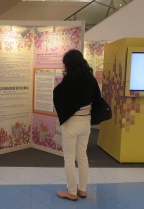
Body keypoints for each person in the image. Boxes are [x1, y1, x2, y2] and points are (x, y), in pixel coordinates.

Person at [53, 49, 101, 201]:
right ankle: (82, 189)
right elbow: (97, 99)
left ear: (69, 64)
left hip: (72, 124)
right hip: (86, 123)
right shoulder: (90, 78)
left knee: (69, 158)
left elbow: (58, 94)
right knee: (82, 156)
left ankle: (72, 191)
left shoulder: (69, 80)